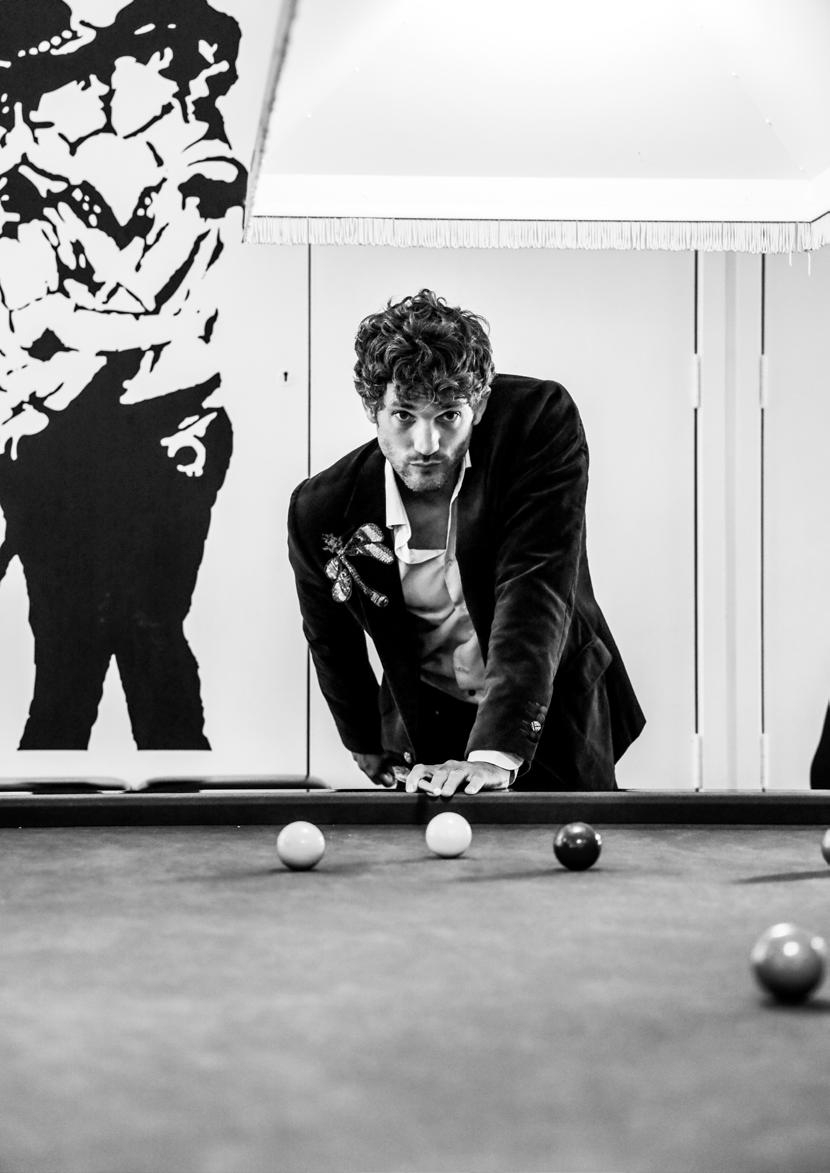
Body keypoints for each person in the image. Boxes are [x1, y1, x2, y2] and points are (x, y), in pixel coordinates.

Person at [0, 0, 244, 749]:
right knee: (74, 649)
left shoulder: (200, 178)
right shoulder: (34, 198)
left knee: (141, 637)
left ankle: (170, 796)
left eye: (107, 70)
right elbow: (57, 321)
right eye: (78, 77)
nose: (100, 85)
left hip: (158, 438)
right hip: (64, 441)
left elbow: (127, 304)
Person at [288, 289, 645, 795]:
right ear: (373, 409)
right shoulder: (320, 509)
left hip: (550, 708)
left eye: (448, 415)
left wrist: (494, 755)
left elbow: (535, 587)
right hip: (429, 719)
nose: (427, 445)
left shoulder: (536, 423)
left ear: (478, 405)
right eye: (404, 415)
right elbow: (331, 637)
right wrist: (363, 739)